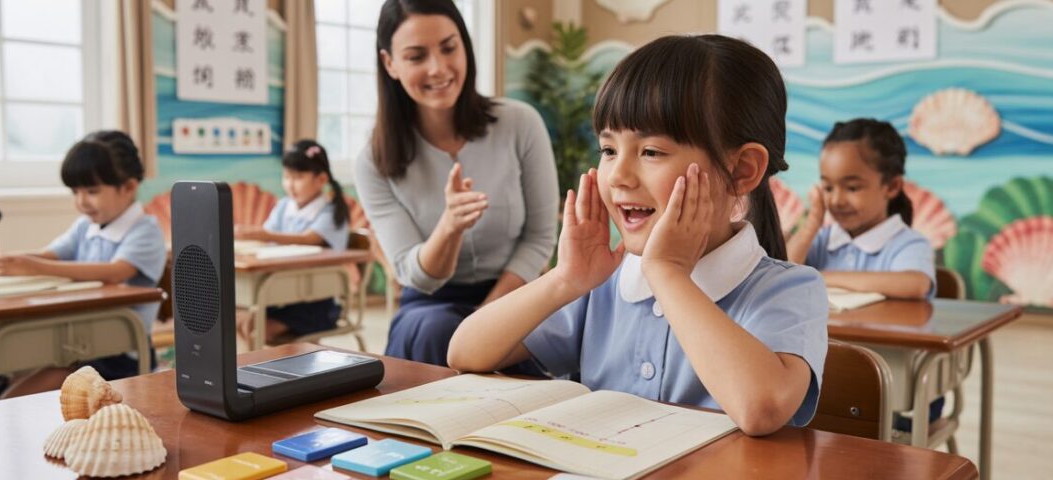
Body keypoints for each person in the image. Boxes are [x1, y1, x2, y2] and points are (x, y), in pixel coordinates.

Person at [447, 35, 829, 436]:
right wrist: (565, 280)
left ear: (741, 171)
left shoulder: (790, 289)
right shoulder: (602, 284)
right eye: (609, 150)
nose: (619, 177)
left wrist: (668, 273)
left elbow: (761, 409)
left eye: (651, 152)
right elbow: (465, 352)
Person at [352, 0, 558, 366]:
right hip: (429, 304)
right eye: (416, 56)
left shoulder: (521, 124)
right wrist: (450, 227)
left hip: (514, 294)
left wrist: (490, 313)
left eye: (449, 47)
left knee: (546, 341)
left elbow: (541, 236)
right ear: (390, 64)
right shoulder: (373, 161)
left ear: (465, 45)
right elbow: (414, 275)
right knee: (436, 329)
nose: (438, 68)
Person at [0, 130, 166, 397]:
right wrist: (14, 260)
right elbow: (52, 254)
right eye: (75, 192)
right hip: (80, 344)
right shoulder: (85, 226)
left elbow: (116, 272)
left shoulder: (145, 230)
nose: (81, 202)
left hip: (120, 355)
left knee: (17, 394)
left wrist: (35, 266)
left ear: (129, 187)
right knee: (9, 374)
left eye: (92, 191)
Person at [785, 118, 935, 299]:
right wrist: (810, 225)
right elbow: (783, 276)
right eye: (828, 188)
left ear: (892, 186)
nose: (837, 201)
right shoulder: (821, 242)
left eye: (852, 188)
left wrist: (817, 276)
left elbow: (915, 284)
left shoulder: (908, 243)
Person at [235, 139, 350, 343]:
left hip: (314, 303)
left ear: (321, 179)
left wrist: (263, 234)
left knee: (256, 331)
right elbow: (265, 242)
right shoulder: (284, 206)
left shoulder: (331, 212)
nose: (290, 184)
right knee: (238, 322)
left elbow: (310, 240)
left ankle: (281, 368)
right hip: (280, 297)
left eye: (298, 177)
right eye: (286, 177)